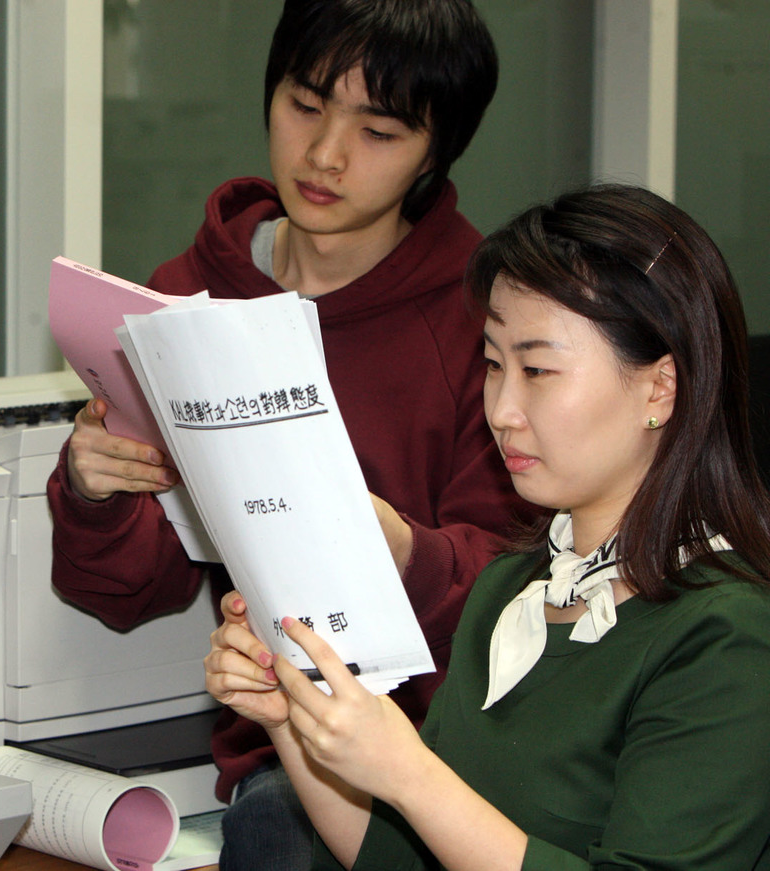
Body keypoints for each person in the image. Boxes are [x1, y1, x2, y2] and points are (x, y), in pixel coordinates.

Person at [46, 2, 529, 868]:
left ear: (435, 152)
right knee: (280, 823)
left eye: (378, 130)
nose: (326, 155)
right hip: (281, 737)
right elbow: (128, 593)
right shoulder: (189, 295)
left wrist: (401, 549)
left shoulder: (481, 315)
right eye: (306, 106)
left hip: (452, 740)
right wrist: (94, 488)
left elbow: (520, 580)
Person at [205, 183, 770, 870]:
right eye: (495, 365)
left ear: (660, 387)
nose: (501, 409)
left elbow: (430, 801)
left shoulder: (726, 632)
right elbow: (400, 857)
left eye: (537, 369)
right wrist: (289, 715)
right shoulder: (511, 587)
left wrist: (410, 773)